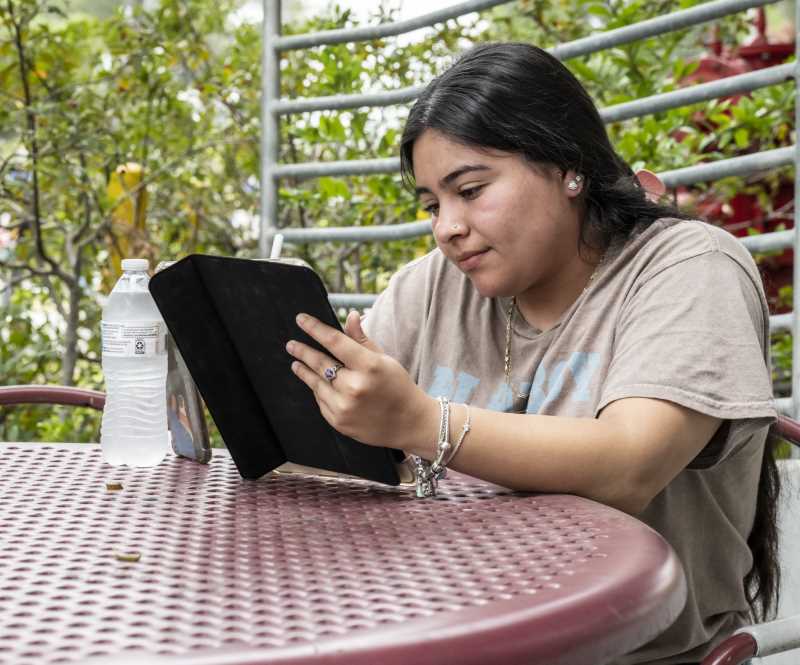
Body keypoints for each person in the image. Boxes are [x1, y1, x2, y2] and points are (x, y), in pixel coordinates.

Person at [284, 42, 780, 664]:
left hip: (637, 652)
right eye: (433, 205)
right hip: (453, 633)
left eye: (471, 190)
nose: (447, 227)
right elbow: (340, 449)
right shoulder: (434, 284)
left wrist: (417, 421)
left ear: (568, 166)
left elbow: (629, 467)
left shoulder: (689, 267)